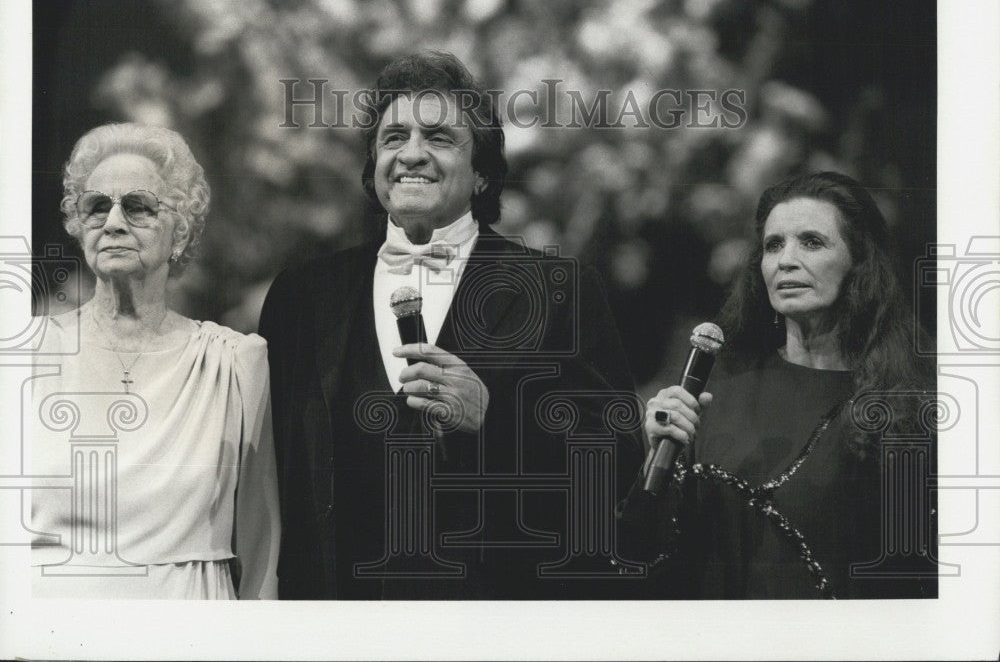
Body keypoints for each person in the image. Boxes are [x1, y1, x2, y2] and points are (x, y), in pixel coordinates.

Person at [259, 51, 641, 599]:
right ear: (373, 167)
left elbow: (617, 461)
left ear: (482, 171)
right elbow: (271, 470)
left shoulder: (558, 287)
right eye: (393, 138)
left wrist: (497, 420)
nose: (411, 153)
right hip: (333, 619)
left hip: (490, 618)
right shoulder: (302, 295)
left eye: (438, 138)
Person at [623, 171, 937, 599]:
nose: (786, 260)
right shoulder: (718, 386)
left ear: (859, 262)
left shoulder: (902, 405)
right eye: (774, 245)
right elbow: (649, 552)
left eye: (811, 242)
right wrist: (653, 458)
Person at [30, 122, 279, 599]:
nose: (114, 222)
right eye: (97, 206)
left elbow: (263, 547)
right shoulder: (26, 355)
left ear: (180, 233)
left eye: (138, 207)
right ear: (78, 226)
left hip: (189, 636)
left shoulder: (234, 364)